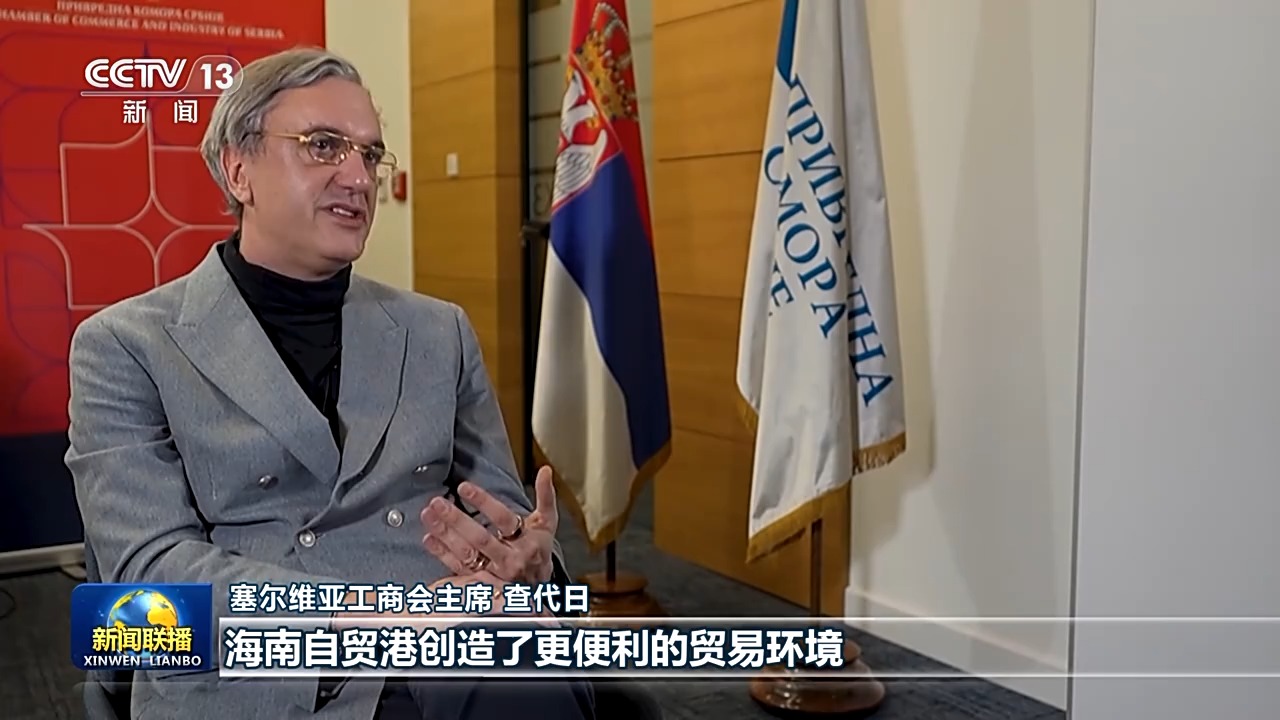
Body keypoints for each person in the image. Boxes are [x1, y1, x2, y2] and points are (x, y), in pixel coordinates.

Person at [64, 47, 594, 720]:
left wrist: (530, 563)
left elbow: (500, 520)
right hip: (256, 683)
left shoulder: (439, 331)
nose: (357, 176)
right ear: (239, 169)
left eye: (369, 155)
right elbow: (145, 586)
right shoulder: (124, 345)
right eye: (323, 146)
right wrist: (380, 620)